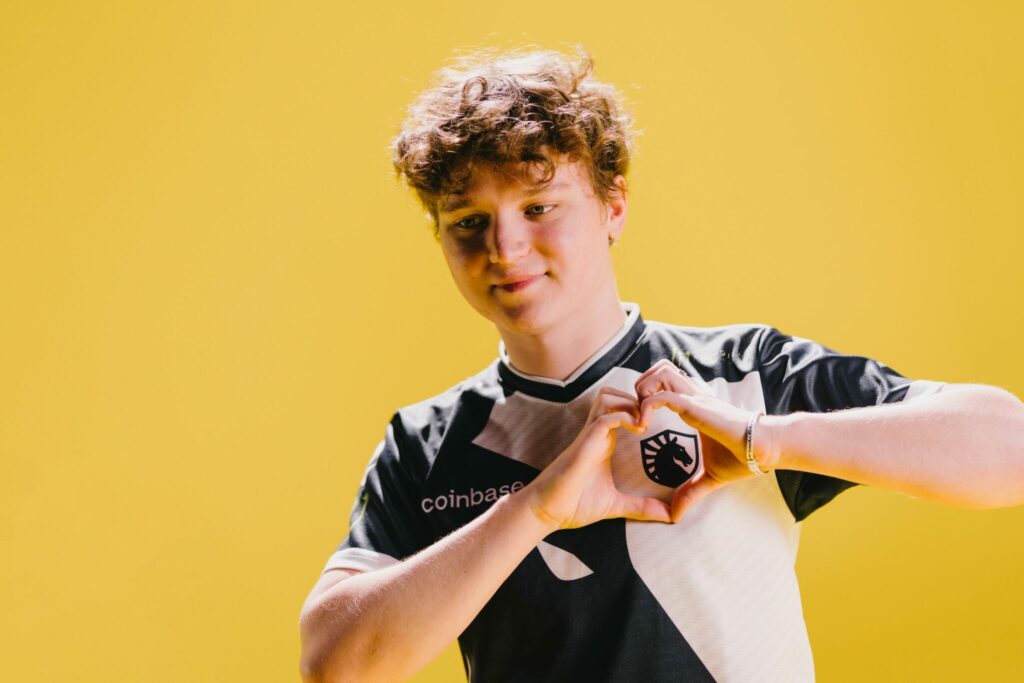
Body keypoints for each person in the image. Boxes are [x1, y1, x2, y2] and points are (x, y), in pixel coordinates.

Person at [298, 47, 1024, 682]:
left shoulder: (743, 372)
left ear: (614, 206)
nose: (505, 247)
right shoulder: (424, 443)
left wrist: (762, 439)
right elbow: (333, 662)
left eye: (539, 206)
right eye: (468, 222)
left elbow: (1009, 448)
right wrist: (536, 509)